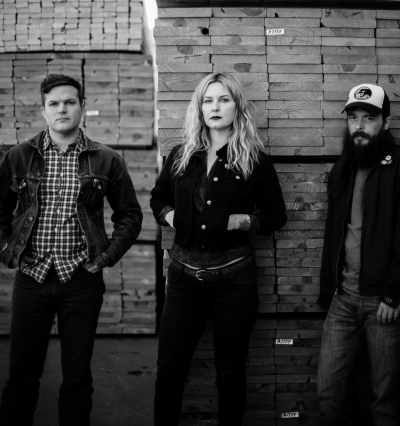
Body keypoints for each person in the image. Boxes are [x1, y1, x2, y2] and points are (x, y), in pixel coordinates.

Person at [0, 74, 142, 426]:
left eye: (69, 102)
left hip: (81, 280)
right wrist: (7, 249)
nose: (62, 109)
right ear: (43, 110)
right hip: (32, 279)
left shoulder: (106, 159)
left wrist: (106, 257)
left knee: (77, 376)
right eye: (54, 103)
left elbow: (130, 215)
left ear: (82, 107)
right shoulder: (18, 157)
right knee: (21, 376)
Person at [150, 72, 286, 426]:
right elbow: (158, 198)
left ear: (237, 107)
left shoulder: (255, 161)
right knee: (169, 372)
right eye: (208, 100)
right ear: (199, 108)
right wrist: (171, 217)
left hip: (234, 282)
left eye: (224, 99)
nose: (215, 107)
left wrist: (241, 221)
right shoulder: (181, 155)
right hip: (183, 280)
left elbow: (276, 215)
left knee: (230, 373)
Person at [317, 83, 400, 425]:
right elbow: (335, 234)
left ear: (386, 123)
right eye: (353, 118)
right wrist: (329, 290)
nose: (360, 126)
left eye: (369, 118)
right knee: (329, 395)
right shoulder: (343, 169)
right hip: (343, 301)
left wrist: (394, 294)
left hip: (384, 305)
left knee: (386, 403)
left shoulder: (398, 166)